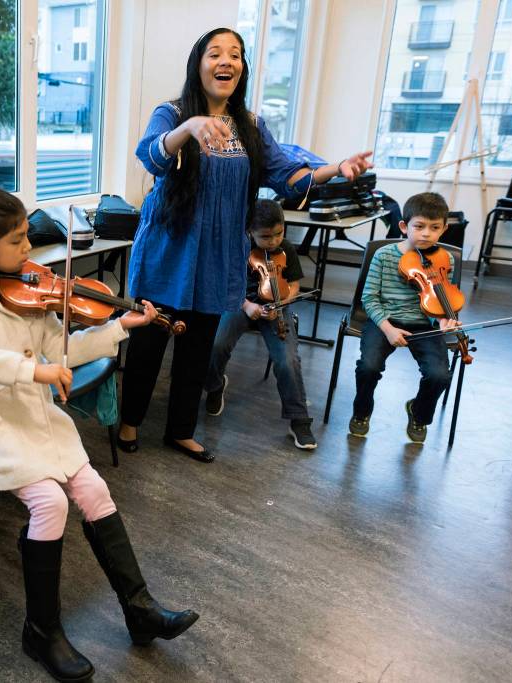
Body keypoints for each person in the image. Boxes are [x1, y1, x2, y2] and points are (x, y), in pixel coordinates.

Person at [0, 187, 199, 682]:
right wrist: (31, 372)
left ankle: (139, 609)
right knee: (49, 502)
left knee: (92, 487)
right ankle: (41, 631)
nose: (28, 249)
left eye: (27, 235)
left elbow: (61, 348)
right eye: (17, 241)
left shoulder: (28, 285)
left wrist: (122, 326)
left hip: (30, 414)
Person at [118, 27, 372, 462]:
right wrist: (191, 128)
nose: (226, 61)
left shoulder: (252, 126)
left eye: (235, 55)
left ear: (242, 69)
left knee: (198, 348)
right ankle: (128, 423)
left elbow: (289, 177)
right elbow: (152, 155)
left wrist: (336, 167)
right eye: (215, 53)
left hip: (218, 253)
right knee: (149, 341)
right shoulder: (172, 112)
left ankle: (180, 429)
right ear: (198, 64)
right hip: (169, 248)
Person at [204, 199, 317, 450]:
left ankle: (298, 419)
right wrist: (248, 306)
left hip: (276, 307)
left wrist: (284, 300)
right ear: (250, 231)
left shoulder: (286, 249)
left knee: (287, 360)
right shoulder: (239, 248)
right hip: (240, 303)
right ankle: (215, 385)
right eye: (266, 237)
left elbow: (296, 284)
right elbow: (227, 284)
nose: (274, 241)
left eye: (279, 233)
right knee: (217, 344)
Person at [349, 192, 459, 443]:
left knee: (440, 375)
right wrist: (388, 329)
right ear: (404, 226)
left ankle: (418, 414)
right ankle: (361, 411)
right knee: (368, 367)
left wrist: (442, 320)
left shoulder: (445, 259)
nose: (426, 234)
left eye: (434, 228)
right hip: (384, 321)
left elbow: (442, 301)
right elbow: (369, 299)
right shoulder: (385, 256)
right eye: (419, 226)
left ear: (444, 229)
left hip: (423, 324)